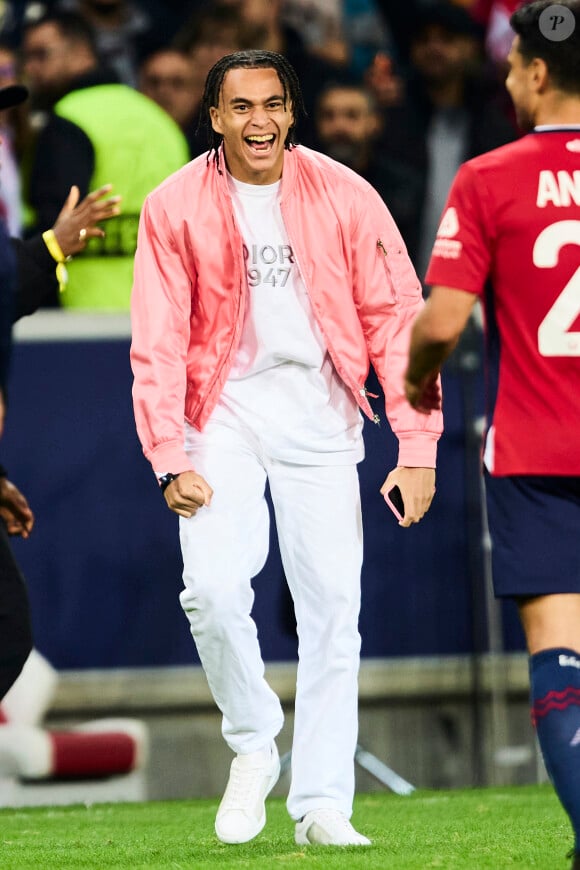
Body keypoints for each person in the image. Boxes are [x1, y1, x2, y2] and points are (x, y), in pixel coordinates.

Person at [131, 49, 441, 846]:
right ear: (214, 116)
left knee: (335, 611)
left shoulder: (347, 194)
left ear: (292, 113)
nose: (258, 121)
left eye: (272, 104)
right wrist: (170, 454)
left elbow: (396, 324)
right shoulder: (173, 205)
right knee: (208, 590)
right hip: (219, 416)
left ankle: (322, 806)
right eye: (240, 107)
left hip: (321, 417)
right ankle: (253, 740)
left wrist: (418, 444)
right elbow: (157, 341)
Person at [403, 2, 580, 866]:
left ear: (538, 73)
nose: (507, 81)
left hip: (539, 454)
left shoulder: (489, 177)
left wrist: (414, 377)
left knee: (562, 657)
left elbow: (440, 321)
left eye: (513, 68)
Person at [22, 11, 188, 309]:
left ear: (81, 51)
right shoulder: (159, 121)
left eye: (41, 54)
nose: (32, 68)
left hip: (83, 318)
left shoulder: (68, 121)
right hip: (161, 313)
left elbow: (53, 224)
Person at [314, 80, 423, 262]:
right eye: (328, 116)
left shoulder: (401, 187)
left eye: (352, 116)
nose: (339, 126)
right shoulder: (298, 184)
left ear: (374, 122)